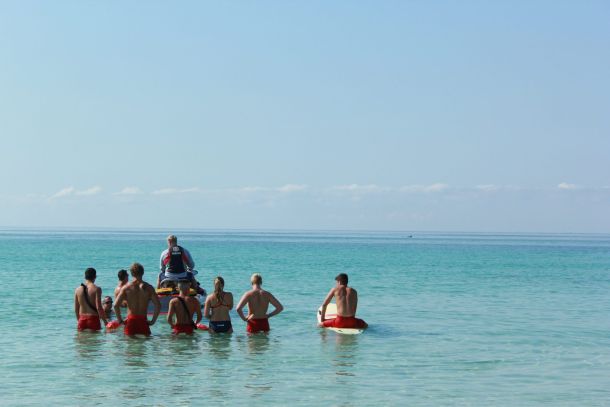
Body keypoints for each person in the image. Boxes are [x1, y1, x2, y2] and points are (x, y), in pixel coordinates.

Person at [114, 262, 161, 337]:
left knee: (129, 343)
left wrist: (120, 320)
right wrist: (153, 321)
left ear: (132, 274)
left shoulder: (126, 287)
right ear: (143, 273)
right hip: (143, 321)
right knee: (145, 342)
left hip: (131, 321)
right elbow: (158, 305)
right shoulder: (149, 288)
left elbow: (116, 305)